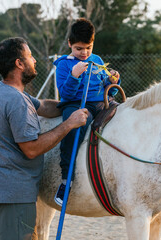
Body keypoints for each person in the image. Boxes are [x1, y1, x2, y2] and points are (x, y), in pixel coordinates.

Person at [0, 37, 88, 240]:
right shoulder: (16, 101)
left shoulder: (2, 89)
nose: (35, 60)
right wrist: (69, 124)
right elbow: (31, 148)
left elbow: (43, 106)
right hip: (14, 195)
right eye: (30, 56)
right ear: (19, 63)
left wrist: (68, 107)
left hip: (4, 192)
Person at [53, 18, 121, 206]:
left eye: (88, 48)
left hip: (101, 103)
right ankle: (66, 181)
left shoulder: (97, 60)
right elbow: (65, 94)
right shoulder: (63, 65)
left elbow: (109, 90)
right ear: (69, 44)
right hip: (75, 104)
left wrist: (113, 82)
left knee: (124, 116)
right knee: (73, 128)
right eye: (79, 48)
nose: (84, 53)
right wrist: (74, 75)